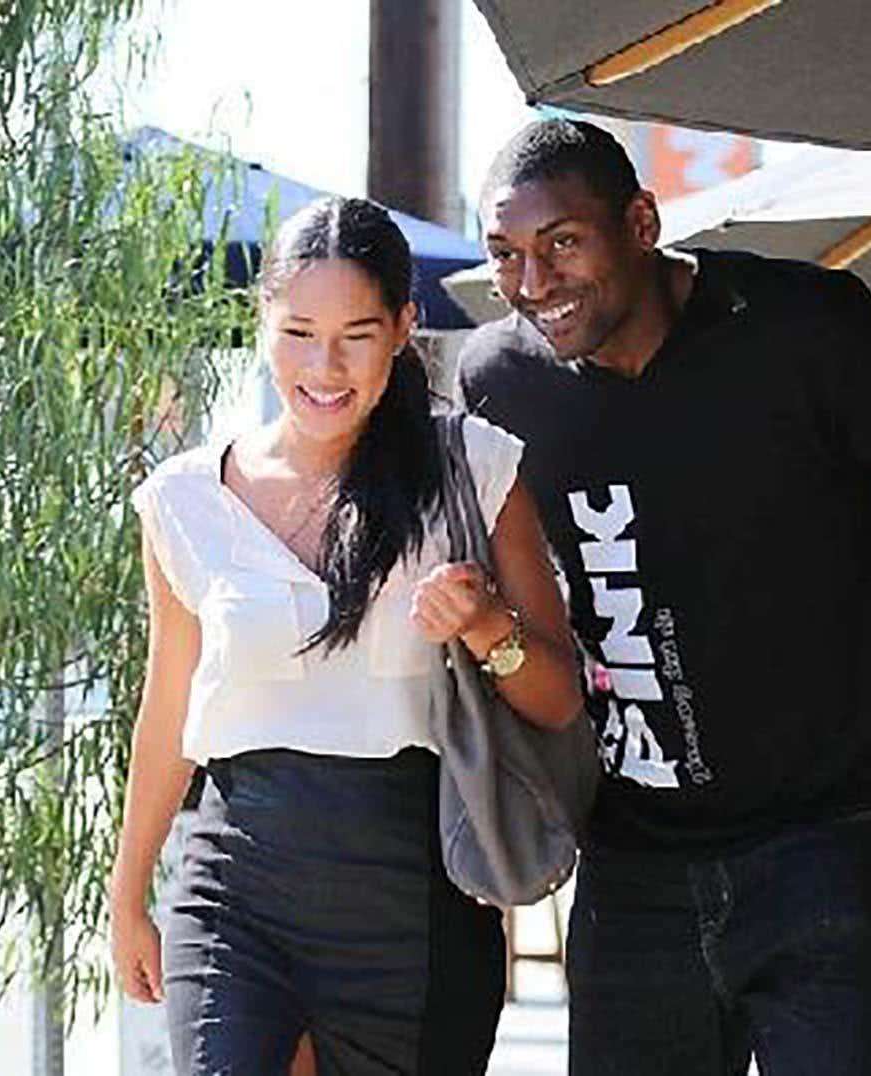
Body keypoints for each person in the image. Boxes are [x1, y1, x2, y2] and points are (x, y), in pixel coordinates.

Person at [457, 119, 871, 1075]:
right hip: (634, 863)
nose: (533, 283)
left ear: (642, 223)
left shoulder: (805, 328)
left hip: (831, 839)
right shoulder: (499, 384)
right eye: (505, 254)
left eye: (562, 242)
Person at [108, 196, 582, 1075]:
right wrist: (128, 892)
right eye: (298, 332)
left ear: (402, 327)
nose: (324, 368)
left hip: (416, 897)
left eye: (356, 335)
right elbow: (167, 706)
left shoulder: (473, 467)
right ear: (262, 321)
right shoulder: (184, 500)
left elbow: (558, 699)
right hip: (235, 888)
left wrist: (486, 625)